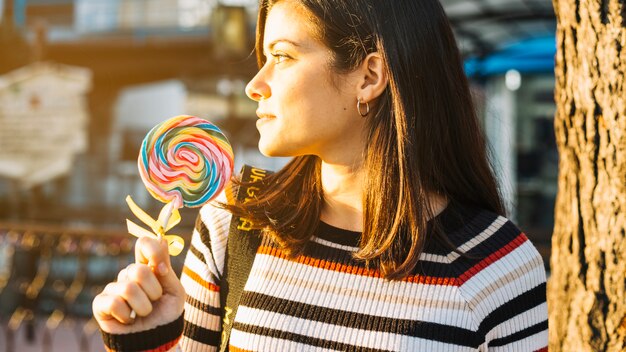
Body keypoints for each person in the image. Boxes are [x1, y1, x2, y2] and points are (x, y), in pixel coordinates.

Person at [93, 0, 549, 350]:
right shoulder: (233, 222)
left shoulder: (498, 268)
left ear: (369, 76)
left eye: (283, 56)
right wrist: (150, 337)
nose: (257, 84)